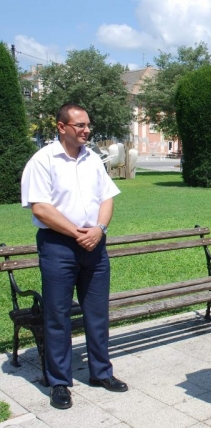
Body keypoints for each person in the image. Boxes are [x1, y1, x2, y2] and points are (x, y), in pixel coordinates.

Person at [21, 103, 128, 410]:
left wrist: (100, 228)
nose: (86, 130)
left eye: (87, 125)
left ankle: (101, 373)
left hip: (94, 244)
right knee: (58, 316)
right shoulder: (42, 161)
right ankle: (58, 382)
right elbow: (40, 207)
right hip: (58, 247)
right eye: (80, 125)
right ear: (61, 127)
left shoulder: (93, 159)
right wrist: (77, 233)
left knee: (97, 314)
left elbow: (106, 197)